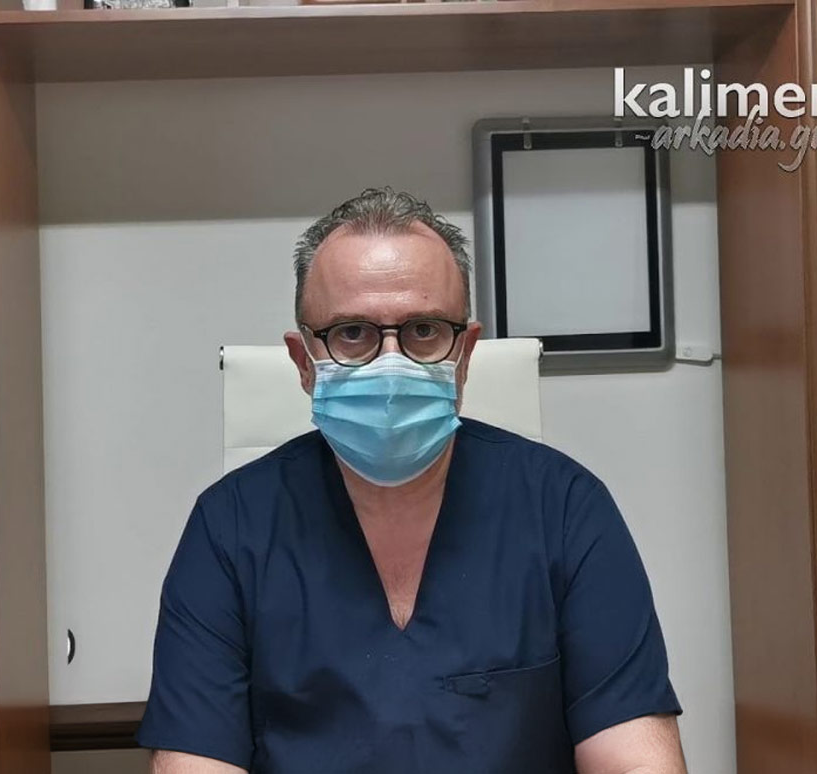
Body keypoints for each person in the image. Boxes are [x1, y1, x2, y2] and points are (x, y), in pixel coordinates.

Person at [137, 188, 686, 774]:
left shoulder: (566, 510)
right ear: (303, 362)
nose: (392, 364)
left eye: (424, 329)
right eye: (352, 333)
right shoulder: (229, 529)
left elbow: (637, 760)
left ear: (465, 354)